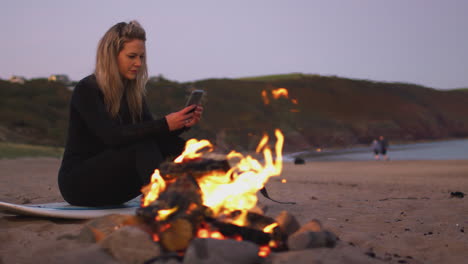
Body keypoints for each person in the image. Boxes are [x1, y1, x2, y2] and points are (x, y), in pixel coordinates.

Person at [58, 21, 203, 206]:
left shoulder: (132, 94)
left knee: (178, 145)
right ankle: (166, 202)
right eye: (132, 56)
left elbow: (155, 136)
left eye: (141, 57)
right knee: (142, 145)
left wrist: (181, 124)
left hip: (115, 187)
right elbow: (111, 136)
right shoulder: (87, 89)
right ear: (112, 56)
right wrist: (165, 123)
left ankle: (198, 198)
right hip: (79, 185)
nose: (138, 63)